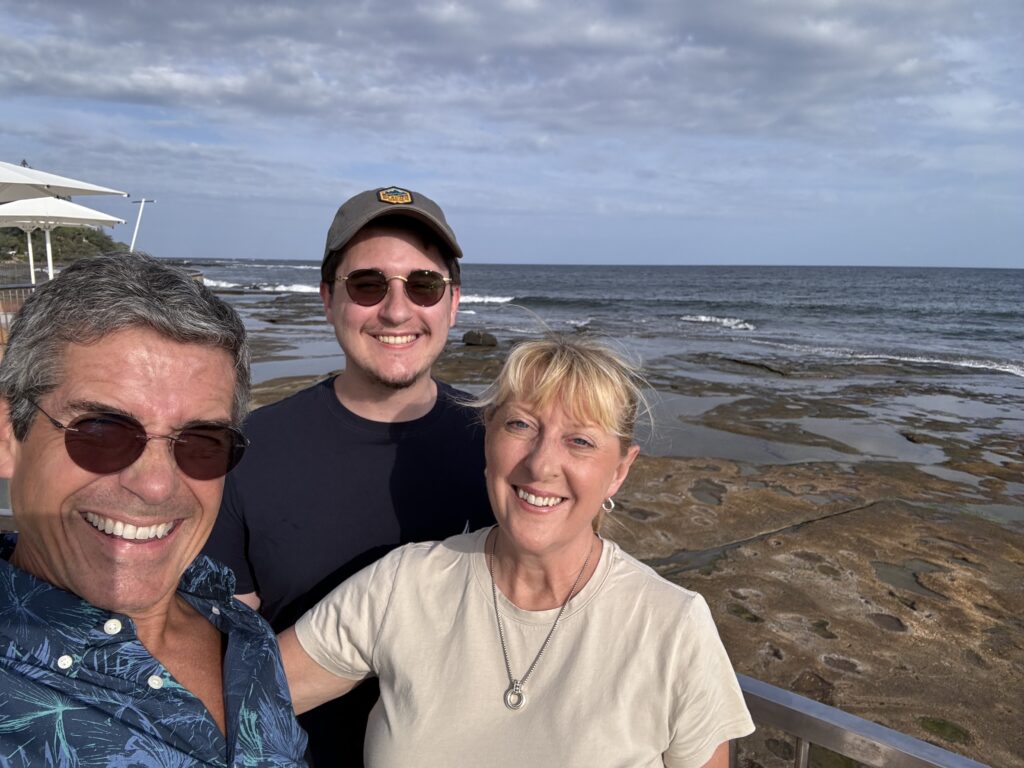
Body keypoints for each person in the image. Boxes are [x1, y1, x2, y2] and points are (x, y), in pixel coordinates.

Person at [279, 335, 755, 767]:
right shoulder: (401, 585)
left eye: (581, 441)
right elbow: (237, 700)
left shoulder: (673, 626)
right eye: (521, 425)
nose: (542, 462)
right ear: (488, 436)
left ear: (619, 471)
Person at [202, 186, 492, 764]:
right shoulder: (249, 451)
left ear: (453, 303)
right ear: (328, 299)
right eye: (367, 285)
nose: (396, 309)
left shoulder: (502, 449)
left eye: (424, 285)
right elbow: (222, 638)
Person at [0, 253, 307, 766]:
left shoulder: (244, 634)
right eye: (102, 431)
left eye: (201, 442)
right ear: (10, 436)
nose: (158, 484)